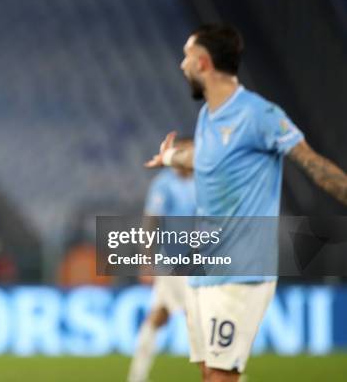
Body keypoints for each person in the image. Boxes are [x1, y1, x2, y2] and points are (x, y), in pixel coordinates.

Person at [146, 24, 347, 382]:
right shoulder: (209, 116)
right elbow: (208, 157)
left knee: (221, 377)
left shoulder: (259, 115)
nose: (181, 65)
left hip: (242, 270)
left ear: (204, 63)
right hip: (205, 267)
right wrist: (172, 157)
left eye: (187, 57)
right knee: (211, 374)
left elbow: (314, 166)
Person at [128, 138, 195, 382]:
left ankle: (136, 376)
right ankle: (226, 375)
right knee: (198, 315)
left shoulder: (204, 182)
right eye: (185, 151)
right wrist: (146, 260)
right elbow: (151, 222)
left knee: (160, 314)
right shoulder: (164, 184)